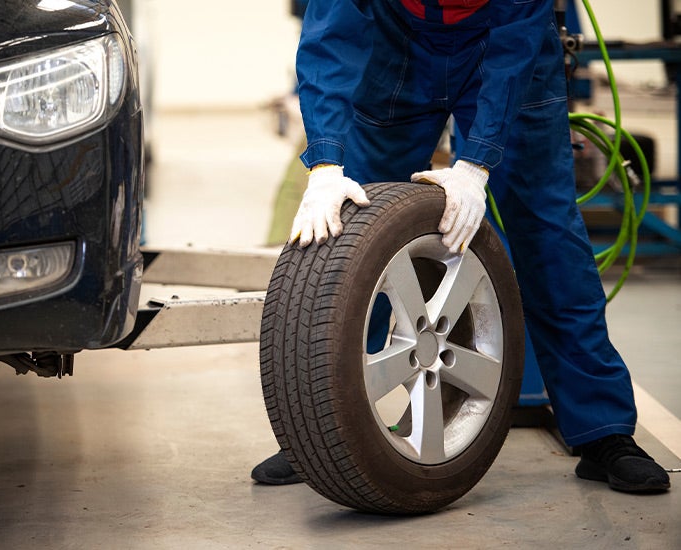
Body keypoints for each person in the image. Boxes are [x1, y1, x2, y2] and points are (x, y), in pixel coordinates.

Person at [251, 0, 671, 493]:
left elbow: (513, 46)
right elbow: (329, 39)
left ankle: (604, 431)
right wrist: (325, 165)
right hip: (397, 44)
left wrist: (475, 166)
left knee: (549, 240)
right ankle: (319, 431)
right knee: (346, 227)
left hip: (508, 46)